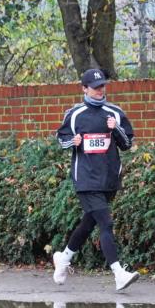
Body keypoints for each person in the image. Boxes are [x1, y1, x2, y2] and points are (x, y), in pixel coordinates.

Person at [52, 68, 140, 292]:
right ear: (84, 89)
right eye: (96, 87)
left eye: (103, 86)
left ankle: (64, 258)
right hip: (86, 179)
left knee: (89, 221)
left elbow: (127, 144)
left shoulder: (115, 112)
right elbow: (61, 140)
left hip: (109, 179)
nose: (101, 91)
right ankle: (119, 273)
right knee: (106, 223)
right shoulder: (75, 114)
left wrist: (116, 129)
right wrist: (74, 140)